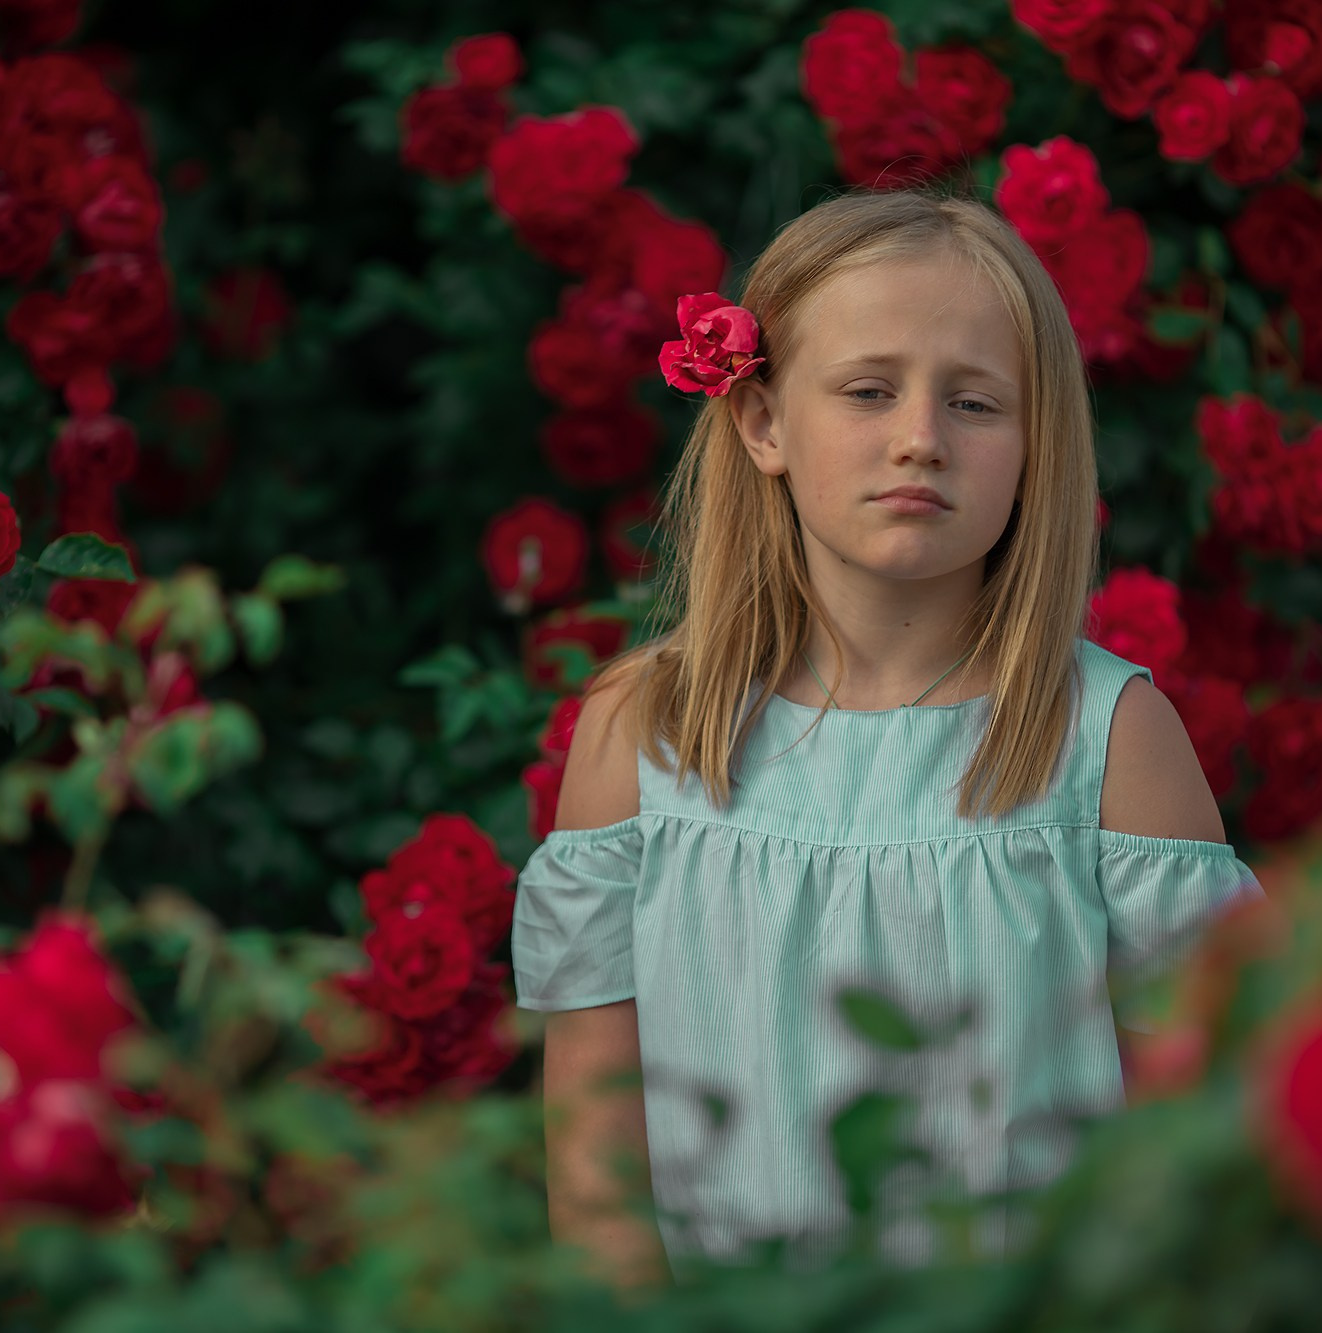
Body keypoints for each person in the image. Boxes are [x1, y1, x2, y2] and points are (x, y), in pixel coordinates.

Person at [509, 188, 1265, 1291]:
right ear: (762, 421)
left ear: (1033, 444)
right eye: (867, 391)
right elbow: (595, 1150)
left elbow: (1203, 1122)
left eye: (973, 403)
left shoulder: (1106, 740)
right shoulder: (648, 733)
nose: (918, 439)